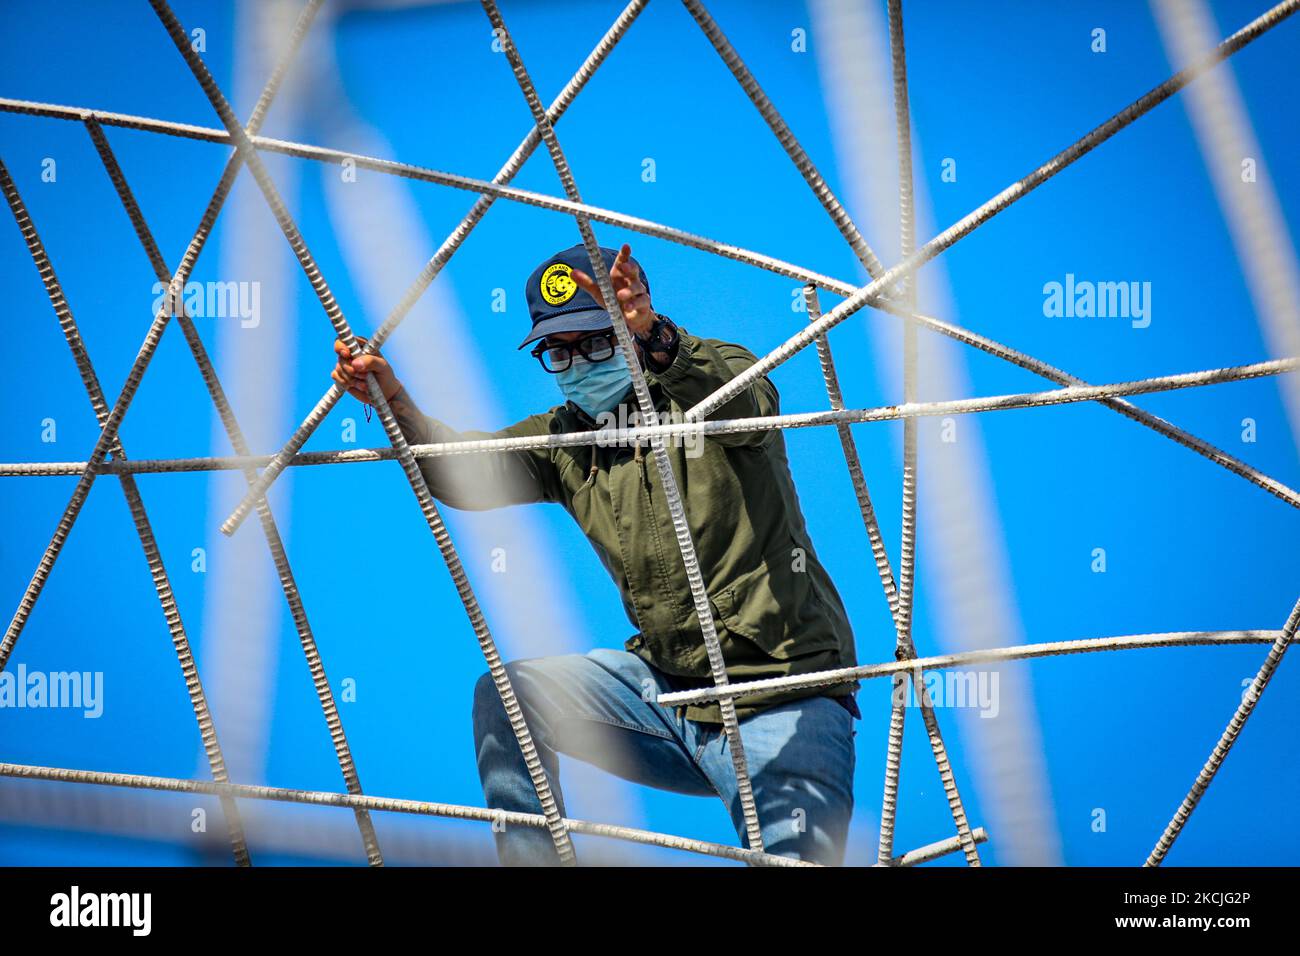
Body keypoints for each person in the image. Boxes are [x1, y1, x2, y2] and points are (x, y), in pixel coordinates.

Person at [331, 242, 860, 865]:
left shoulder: (711, 382)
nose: (579, 363)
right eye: (560, 351)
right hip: (671, 699)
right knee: (509, 693)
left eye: (598, 342)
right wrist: (395, 403)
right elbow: (463, 474)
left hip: (785, 691)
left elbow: (749, 407)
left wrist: (656, 335)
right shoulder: (567, 440)